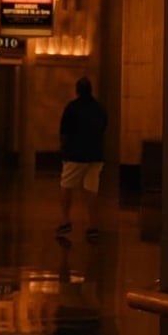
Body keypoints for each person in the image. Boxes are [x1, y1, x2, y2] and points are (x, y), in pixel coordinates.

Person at [56, 77, 107, 243]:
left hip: (75, 154)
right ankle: (93, 225)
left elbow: (64, 132)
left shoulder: (72, 107)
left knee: (66, 185)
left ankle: (65, 221)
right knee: (92, 188)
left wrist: (64, 149)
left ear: (77, 90)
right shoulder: (98, 108)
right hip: (96, 154)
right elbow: (103, 128)